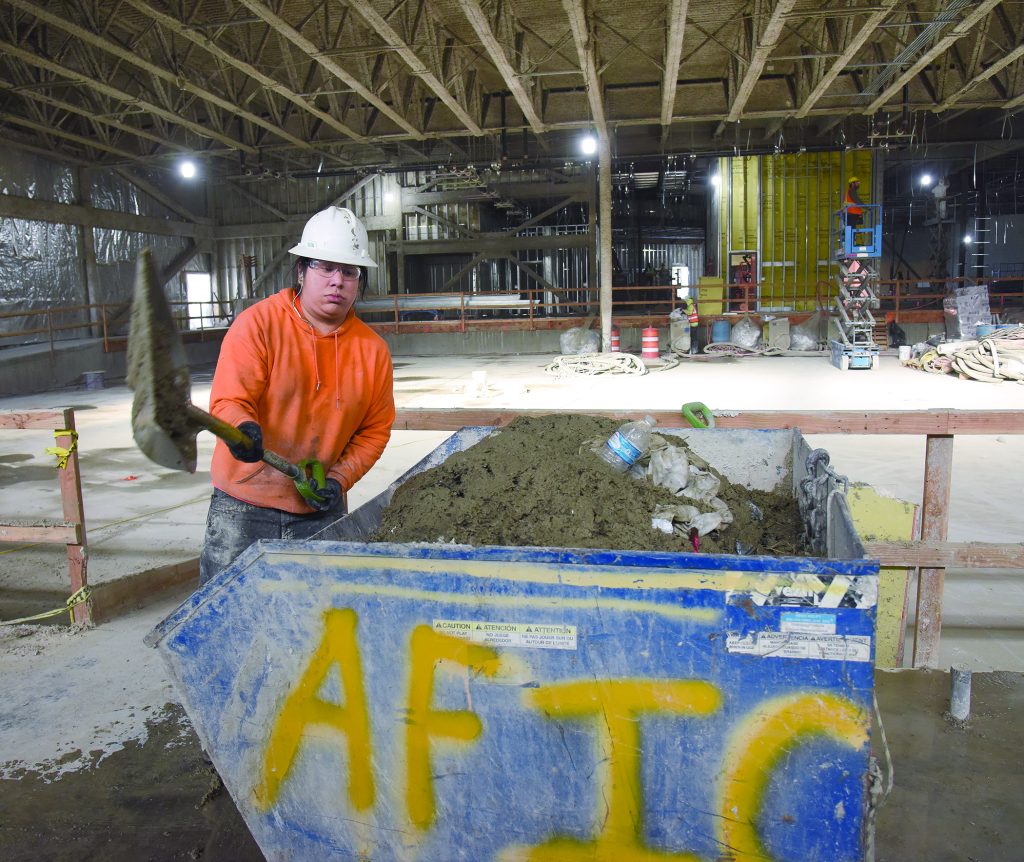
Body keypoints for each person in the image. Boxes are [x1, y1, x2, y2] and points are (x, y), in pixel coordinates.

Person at [198, 206, 395, 586]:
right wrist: (241, 428)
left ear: (359, 282)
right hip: (244, 503)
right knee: (226, 613)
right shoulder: (258, 325)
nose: (337, 280)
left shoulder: (372, 352)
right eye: (324, 266)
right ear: (301, 271)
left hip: (320, 507)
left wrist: (339, 479)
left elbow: (374, 431)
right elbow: (229, 400)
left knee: (322, 621)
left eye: (349, 271)